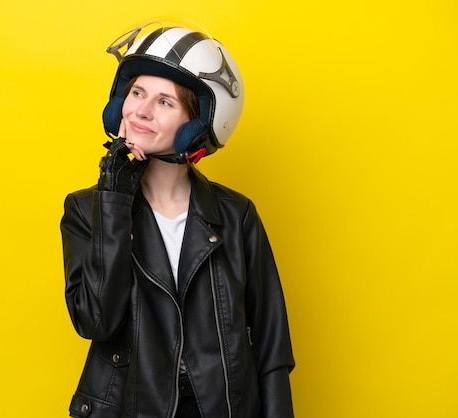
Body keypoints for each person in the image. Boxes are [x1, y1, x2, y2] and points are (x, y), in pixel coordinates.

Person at [61, 19, 295, 418]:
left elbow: (272, 347)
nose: (141, 111)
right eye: (137, 93)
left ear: (198, 126)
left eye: (165, 102)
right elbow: (97, 321)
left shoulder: (236, 216)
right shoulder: (86, 210)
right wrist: (114, 201)